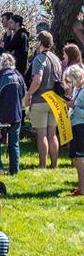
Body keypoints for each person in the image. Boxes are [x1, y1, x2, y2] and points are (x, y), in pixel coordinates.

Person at [23, 30, 63, 169]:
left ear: (40, 42)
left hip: (40, 100)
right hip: (54, 100)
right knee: (52, 134)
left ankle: (42, 165)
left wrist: (28, 94)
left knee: (42, 135)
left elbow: (37, 80)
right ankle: (54, 164)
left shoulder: (39, 58)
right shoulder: (56, 59)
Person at [66, 64, 84, 196]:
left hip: (81, 127)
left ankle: (82, 189)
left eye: (70, 81)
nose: (70, 84)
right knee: (75, 158)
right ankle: (80, 186)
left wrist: (74, 106)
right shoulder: (77, 89)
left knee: (79, 159)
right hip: (75, 125)